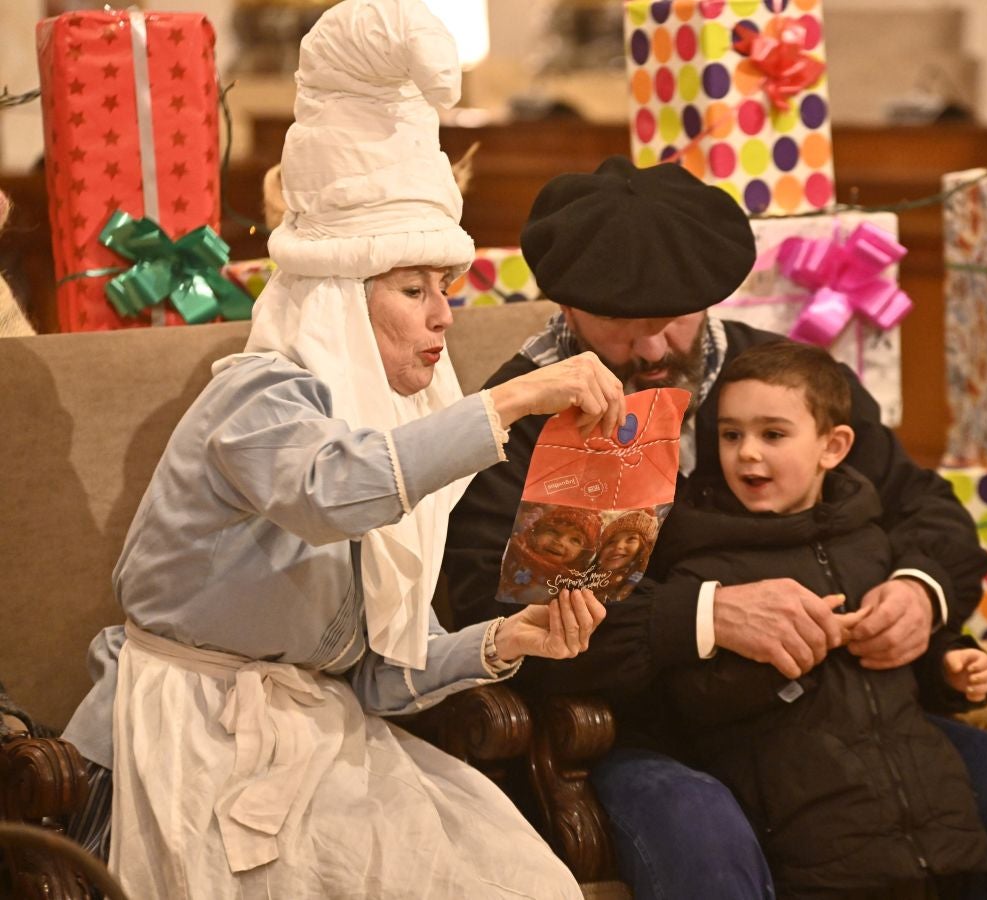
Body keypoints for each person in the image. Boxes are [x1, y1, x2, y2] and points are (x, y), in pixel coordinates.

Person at [59, 2, 625, 896]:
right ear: (336, 299)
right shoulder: (255, 398)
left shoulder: (393, 438)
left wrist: (501, 641)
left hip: (319, 737)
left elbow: (371, 677)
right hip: (186, 740)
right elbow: (331, 492)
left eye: (447, 287)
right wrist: (511, 400)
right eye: (412, 288)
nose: (443, 314)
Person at [440, 156, 987, 899]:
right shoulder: (515, 418)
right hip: (643, 730)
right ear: (566, 303)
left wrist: (918, 593)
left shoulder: (782, 380)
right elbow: (500, 613)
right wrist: (707, 615)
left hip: (829, 714)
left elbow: (926, 511)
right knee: (697, 824)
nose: (651, 348)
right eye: (621, 323)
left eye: (672, 319)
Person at [652, 340, 987, 899]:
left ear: (833, 447)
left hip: (938, 836)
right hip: (816, 845)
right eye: (731, 434)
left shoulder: (868, 539)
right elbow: (690, 697)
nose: (747, 454)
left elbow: (896, 665)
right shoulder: (704, 560)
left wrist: (949, 662)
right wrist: (784, 659)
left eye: (773, 434)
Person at [500, 503, 602, 605]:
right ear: (536, 531)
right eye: (553, 531)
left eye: (575, 540)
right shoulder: (513, 552)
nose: (559, 542)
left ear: (583, 553)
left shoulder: (574, 581)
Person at [593, 509, 662, 604]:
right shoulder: (593, 579)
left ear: (645, 546)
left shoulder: (643, 583)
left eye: (631, 539)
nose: (618, 546)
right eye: (611, 542)